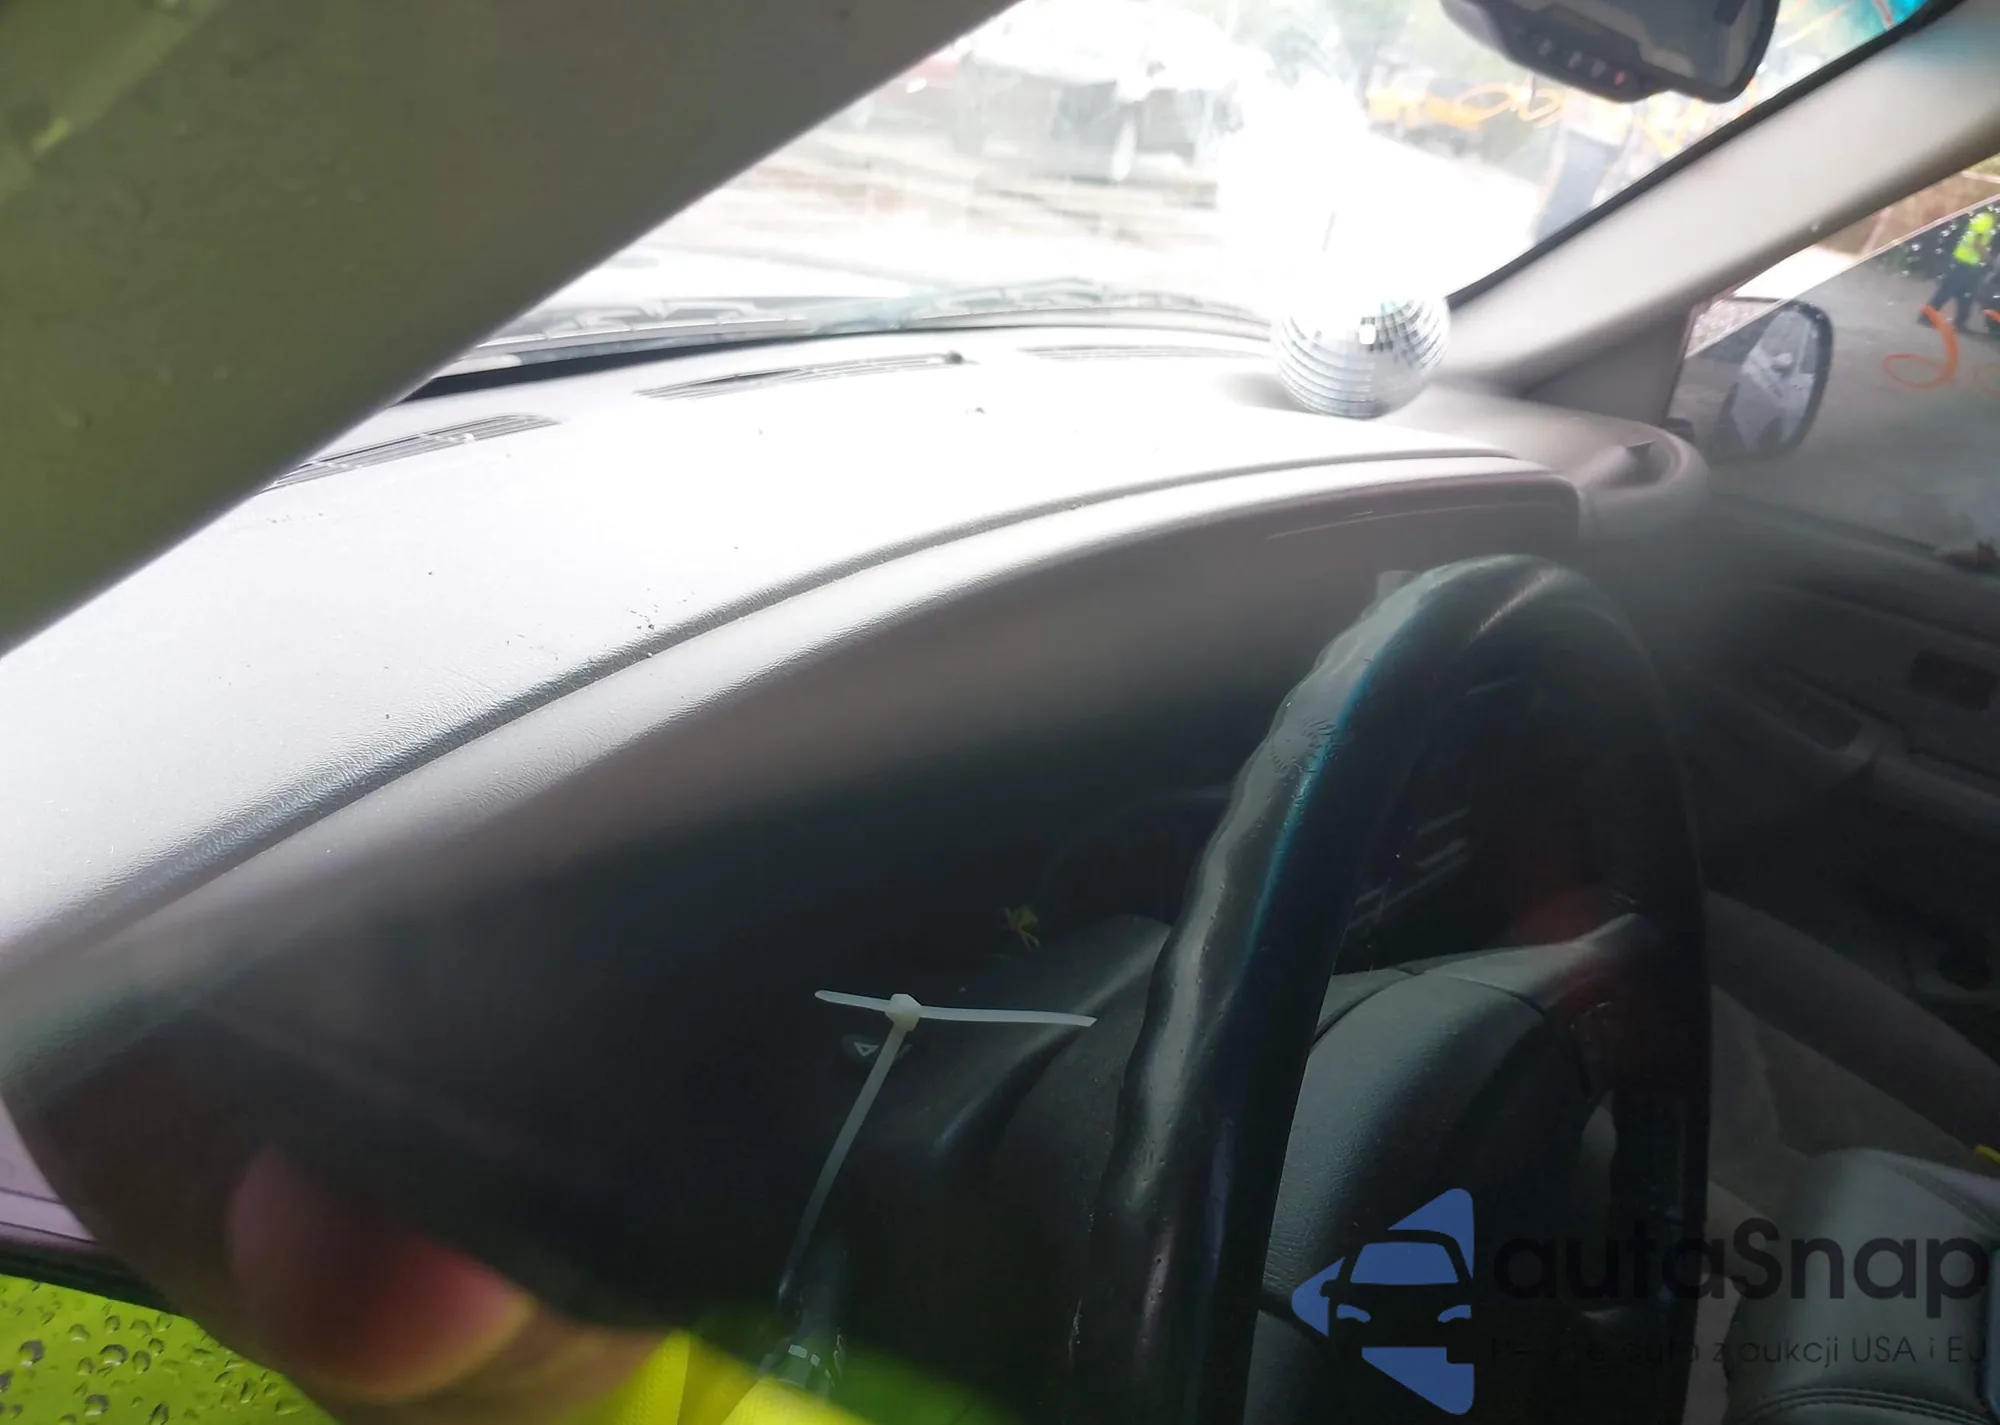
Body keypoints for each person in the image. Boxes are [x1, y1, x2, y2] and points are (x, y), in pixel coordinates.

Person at [1925, 207, 1997, 331]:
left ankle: (1959, 322)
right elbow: (1977, 244)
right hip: (1965, 261)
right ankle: (1928, 316)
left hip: (1968, 262)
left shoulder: (1986, 219)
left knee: (1965, 294)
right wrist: (1989, 260)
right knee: (1949, 290)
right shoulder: (1986, 220)